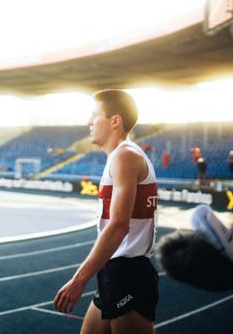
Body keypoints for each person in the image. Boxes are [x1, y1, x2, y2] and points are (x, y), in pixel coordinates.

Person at [53, 89, 158, 334]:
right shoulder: (119, 157)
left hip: (128, 272)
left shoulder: (126, 156)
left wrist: (78, 280)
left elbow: (119, 225)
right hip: (115, 270)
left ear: (115, 121)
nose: (88, 122)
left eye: (94, 115)